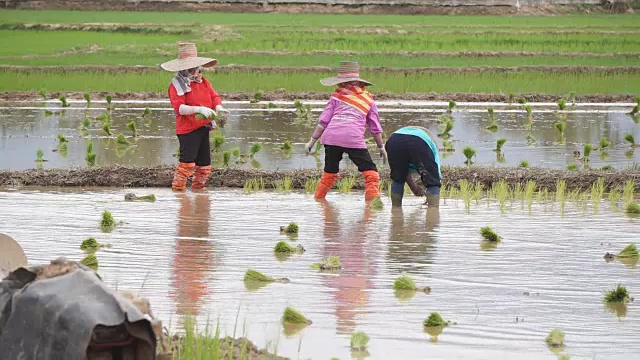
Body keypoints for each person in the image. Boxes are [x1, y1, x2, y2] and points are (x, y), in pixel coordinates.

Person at [304, 61, 386, 201]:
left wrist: (312, 141)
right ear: (359, 82)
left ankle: (319, 200)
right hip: (352, 138)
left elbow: (324, 121)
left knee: (329, 172)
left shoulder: (336, 96)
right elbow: (375, 127)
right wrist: (381, 147)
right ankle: (372, 207)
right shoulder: (368, 99)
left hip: (331, 138)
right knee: (371, 173)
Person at [161, 42, 229, 191]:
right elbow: (179, 108)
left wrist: (218, 108)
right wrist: (199, 109)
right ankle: (179, 194)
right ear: (182, 68)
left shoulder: (203, 81)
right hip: (187, 130)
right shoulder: (176, 85)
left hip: (204, 127)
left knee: (204, 167)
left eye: (195, 67)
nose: (194, 70)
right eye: (190, 67)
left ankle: (199, 194)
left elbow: (214, 96)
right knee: (187, 165)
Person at [385, 126, 441, 207]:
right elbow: (436, 177)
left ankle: (395, 210)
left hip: (394, 140)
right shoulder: (432, 149)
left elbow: (403, 173)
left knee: (397, 179)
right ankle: (433, 211)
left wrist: (414, 188)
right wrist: (431, 185)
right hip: (418, 141)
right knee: (433, 182)